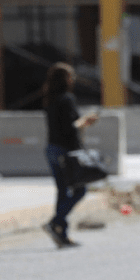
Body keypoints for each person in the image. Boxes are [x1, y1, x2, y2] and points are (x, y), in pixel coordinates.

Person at [42, 62, 98, 248]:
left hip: (52, 149)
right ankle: (55, 222)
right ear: (65, 79)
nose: (72, 79)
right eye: (70, 76)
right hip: (65, 151)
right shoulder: (67, 99)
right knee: (80, 190)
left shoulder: (50, 99)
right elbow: (70, 127)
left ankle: (62, 234)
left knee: (63, 192)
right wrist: (85, 121)